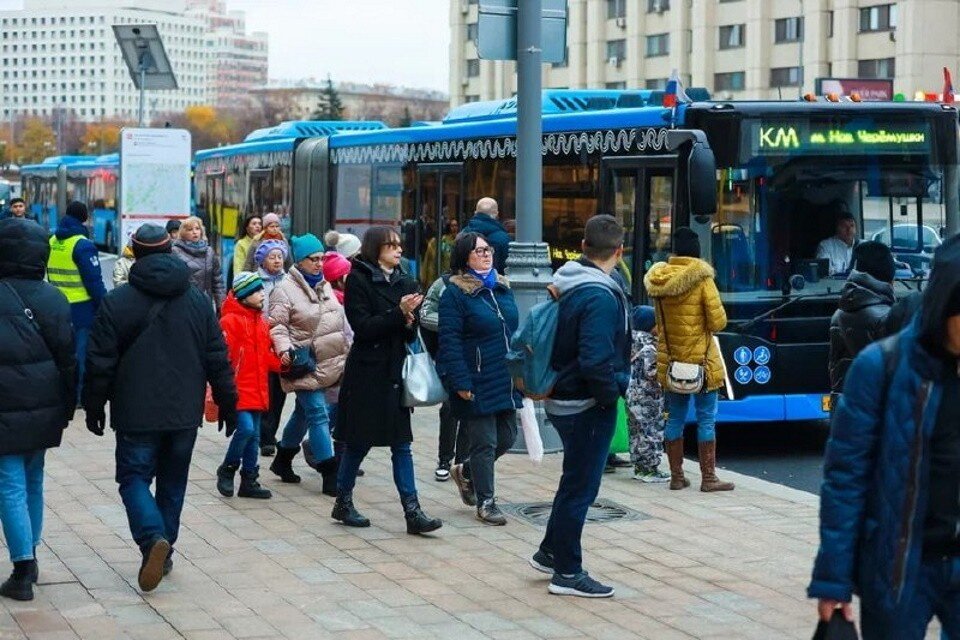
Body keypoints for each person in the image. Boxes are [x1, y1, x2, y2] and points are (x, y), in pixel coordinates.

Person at [809, 234, 960, 639]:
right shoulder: (880, 368)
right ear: (945, 305)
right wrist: (833, 579)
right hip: (899, 567)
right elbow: (845, 478)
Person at [82, 223, 237, 593]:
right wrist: (229, 402)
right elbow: (218, 357)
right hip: (183, 412)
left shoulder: (118, 301)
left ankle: (153, 538)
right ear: (170, 250)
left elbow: (100, 361)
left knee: (133, 478)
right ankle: (164, 551)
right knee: (173, 482)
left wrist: (93, 405)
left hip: (135, 411)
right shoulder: (197, 301)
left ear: (134, 253)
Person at [528, 214, 631, 598]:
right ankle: (568, 574)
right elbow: (595, 359)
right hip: (584, 403)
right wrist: (609, 397)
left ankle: (550, 552)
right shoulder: (600, 295)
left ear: (584, 246)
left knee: (573, 481)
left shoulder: (571, 279)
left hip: (564, 394)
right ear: (619, 251)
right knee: (580, 489)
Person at [333, 225, 442, 534]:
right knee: (358, 442)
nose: (399, 250)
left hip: (395, 371)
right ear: (375, 249)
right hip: (367, 373)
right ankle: (343, 501)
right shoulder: (358, 279)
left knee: (401, 444)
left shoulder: (405, 279)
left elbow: (410, 332)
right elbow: (363, 327)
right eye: (391, 246)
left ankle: (413, 512)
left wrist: (408, 320)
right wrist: (398, 313)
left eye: (398, 245)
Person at [0, 218, 76, 602]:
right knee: (33, 479)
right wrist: (68, 407)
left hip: (4, 407)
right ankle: (30, 555)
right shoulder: (54, 298)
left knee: (9, 483)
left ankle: (22, 567)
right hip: (45, 406)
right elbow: (68, 359)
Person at [437, 232, 520, 525]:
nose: (486, 255)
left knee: (508, 437)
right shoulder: (455, 294)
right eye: (479, 251)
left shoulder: (502, 287)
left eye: (488, 250)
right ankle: (486, 502)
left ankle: (466, 471)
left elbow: (512, 331)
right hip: (476, 378)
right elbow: (449, 342)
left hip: (505, 377)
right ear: (464, 258)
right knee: (484, 443)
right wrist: (460, 381)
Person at [644, 227, 734, 493]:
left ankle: (676, 477)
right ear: (696, 252)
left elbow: (659, 323)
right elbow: (718, 322)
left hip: (672, 361)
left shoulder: (659, 281)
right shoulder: (702, 279)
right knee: (706, 419)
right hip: (702, 363)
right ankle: (709, 478)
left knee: (674, 419)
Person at [267, 233, 348, 497]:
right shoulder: (283, 289)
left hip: (328, 361)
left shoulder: (325, 285)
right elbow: (277, 326)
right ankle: (329, 473)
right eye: (313, 259)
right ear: (300, 260)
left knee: (303, 413)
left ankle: (283, 459)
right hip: (302, 363)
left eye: (321, 258)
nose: (319, 263)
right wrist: (284, 349)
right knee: (318, 414)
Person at [216, 271, 284, 500]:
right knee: (245, 429)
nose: (262, 294)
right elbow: (223, 358)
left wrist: (284, 364)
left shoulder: (261, 322)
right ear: (244, 295)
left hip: (258, 388)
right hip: (237, 389)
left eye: (261, 289)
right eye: (256, 291)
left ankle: (249, 479)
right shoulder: (229, 322)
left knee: (254, 436)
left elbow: (266, 356)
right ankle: (227, 468)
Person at [47, 201, 106, 405]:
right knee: (80, 355)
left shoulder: (52, 240)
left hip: (55, 305)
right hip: (81, 308)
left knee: (58, 354)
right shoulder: (83, 245)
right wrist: (105, 305)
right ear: (84, 218)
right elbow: (94, 282)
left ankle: (59, 393)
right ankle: (78, 397)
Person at [828, 241, 896, 395]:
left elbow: (834, 368)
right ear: (888, 277)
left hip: (844, 403)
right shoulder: (886, 317)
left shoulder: (838, 314)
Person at [420, 274, 468, 483]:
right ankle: (444, 460)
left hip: (476, 356)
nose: (485, 258)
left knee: (470, 410)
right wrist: (453, 323)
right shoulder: (443, 283)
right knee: (450, 408)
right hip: (448, 354)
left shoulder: (492, 282)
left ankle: (462, 462)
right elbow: (426, 314)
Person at [626, 305, 670, 483]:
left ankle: (639, 467)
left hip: (633, 395)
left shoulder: (631, 343)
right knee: (651, 433)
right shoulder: (649, 347)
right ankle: (649, 469)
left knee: (636, 432)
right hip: (648, 398)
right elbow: (652, 372)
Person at [254, 239, 289, 457]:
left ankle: (270, 432)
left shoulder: (289, 281)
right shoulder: (255, 281)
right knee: (265, 388)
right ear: (262, 261)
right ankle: (264, 435)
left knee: (280, 390)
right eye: (272, 257)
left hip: (282, 342)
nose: (277, 261)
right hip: (261, 342)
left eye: (279, 257)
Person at [171, 216, 226, 310]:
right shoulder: (175, 251)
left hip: (205, 303)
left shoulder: (209, 252)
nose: (194, 232)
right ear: (183, 233)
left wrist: (221, 306)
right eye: (190, 229)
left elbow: (217, 282)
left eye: (197, 228)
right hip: (184, 305)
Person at [463, 198, 511, 273]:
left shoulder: (462, 235)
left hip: (466, 279)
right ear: (496, 214)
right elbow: (507, 268)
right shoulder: (503, 238)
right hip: (495, 279)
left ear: (475, 213)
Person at [816, 211, 858, 276]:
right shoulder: (826, 246)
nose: (849, 229)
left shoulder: (863, 246)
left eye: (852, 225)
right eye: (844, 226)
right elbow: (826, 273)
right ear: (837, 228)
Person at [421, 219, 459, 287]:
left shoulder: (459, 241)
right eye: (452, 226)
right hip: (441, 274)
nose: (454, 228)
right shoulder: (441, 241)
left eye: (456, 225)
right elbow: (430, 260)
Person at [232, 214, 262, 283]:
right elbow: (238, 268)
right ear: (247, 228)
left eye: (260, 224)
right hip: (248, 282)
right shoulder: (241, 244)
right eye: (254, 224)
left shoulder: (265, 242)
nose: (258, 226)